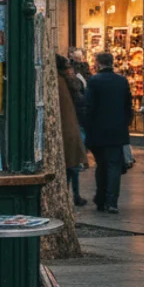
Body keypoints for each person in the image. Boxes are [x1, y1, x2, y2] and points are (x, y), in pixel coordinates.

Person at [83, 51, 133, 214]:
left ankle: (101, 197)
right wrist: (125, 124)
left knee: (101, 164)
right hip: (117, 130)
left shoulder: (94, 81)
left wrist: (87, 127)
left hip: (98, 131)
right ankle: (112, 201)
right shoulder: (122, 81)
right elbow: (128, 107)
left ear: (98, 63)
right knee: (113, 166)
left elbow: (89, 107)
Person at [56, 54, 88, 208]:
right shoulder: (69, 82)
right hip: (72, 129)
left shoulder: (61, 82)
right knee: (72, 167)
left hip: (67, 130)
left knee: (70, 167)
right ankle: (74, 195)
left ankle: (71, 195)